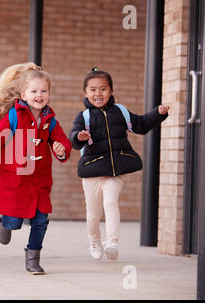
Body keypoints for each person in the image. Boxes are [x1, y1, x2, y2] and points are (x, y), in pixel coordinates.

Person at [0, 62, 72, 275]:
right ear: (23, 94)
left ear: (49, 93)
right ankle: (6, 222)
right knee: (14, 222)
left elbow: (63, 142)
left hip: (39, 181)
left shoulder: (50, 120)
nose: (39, 95)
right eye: (34, 91)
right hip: (16, 180)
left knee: (41, 220)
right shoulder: (14, 116)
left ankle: (33, 258)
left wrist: (60, 149)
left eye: (44, 91)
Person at [68, 67, 170, 261]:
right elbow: (73, 139)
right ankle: (94, 240)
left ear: (111, 91)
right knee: (93, 214)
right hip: (93, 171)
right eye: (93, 89)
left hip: (116, 172)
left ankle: (112, 242)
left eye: (104, 89)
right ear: (85, 93)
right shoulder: (84, 117)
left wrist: (158, 113)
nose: (98, 93)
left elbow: (141, 124)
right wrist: (79, 136)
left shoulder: (120, 111)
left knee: (110, 202)